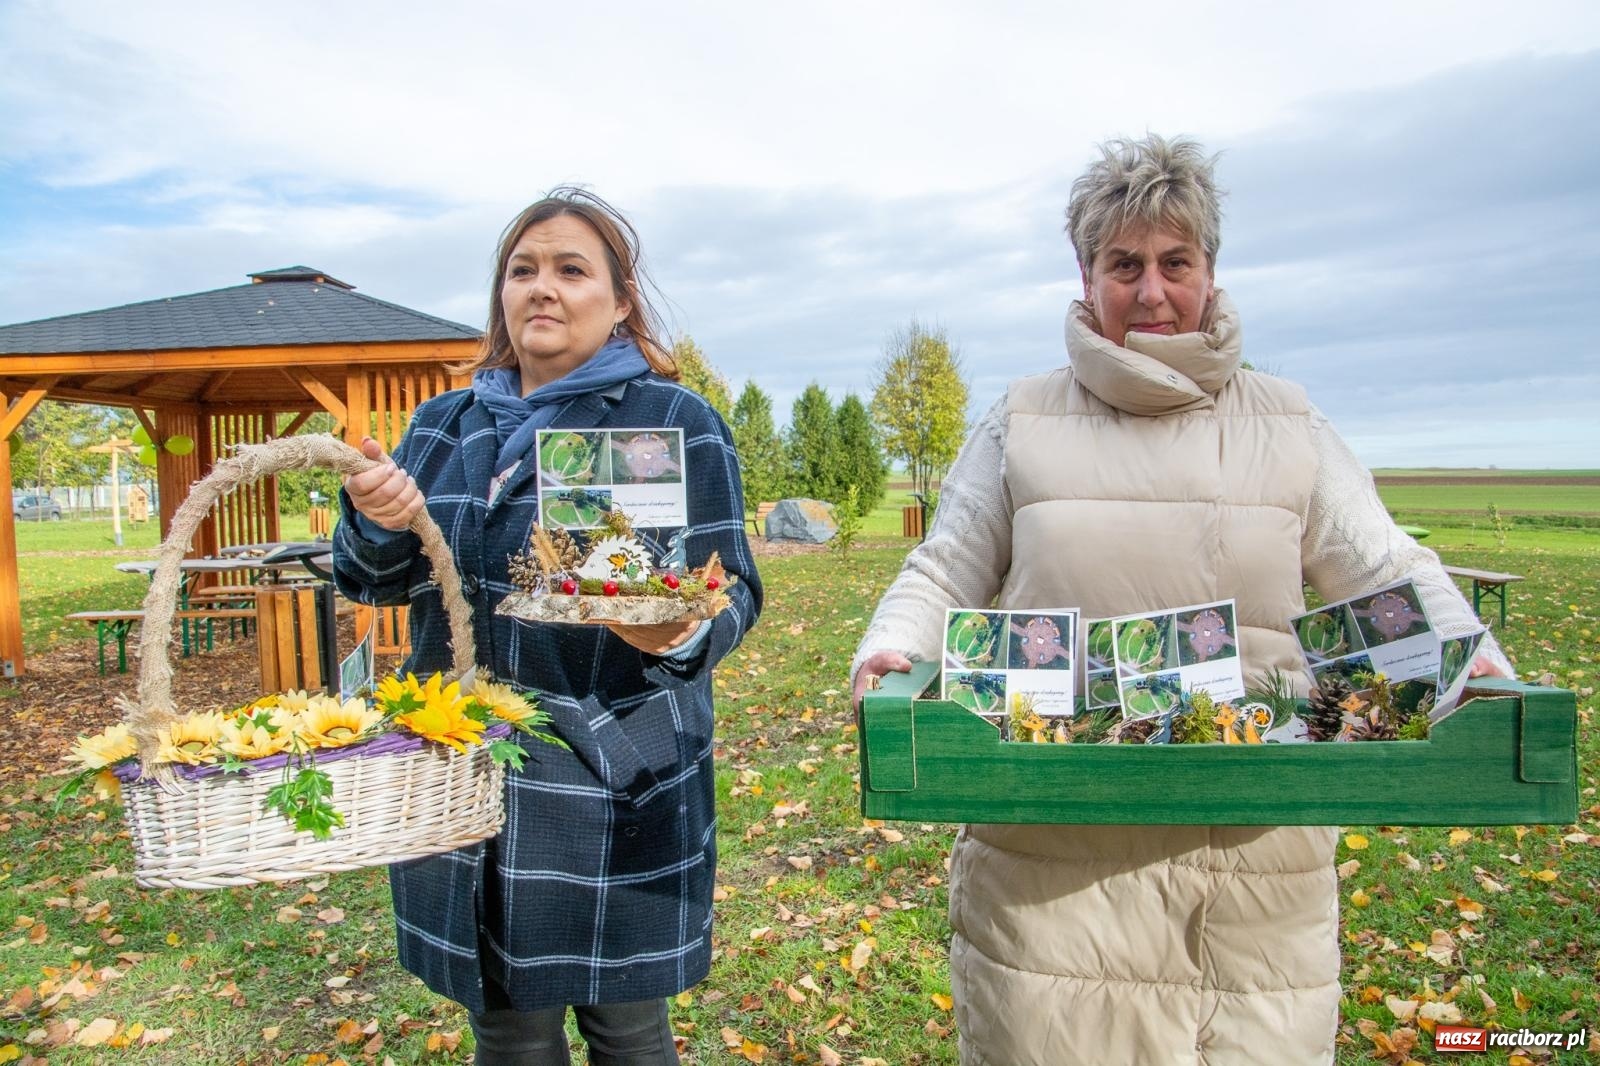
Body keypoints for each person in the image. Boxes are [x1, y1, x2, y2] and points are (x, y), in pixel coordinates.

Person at [849, 135, 1513, 1065]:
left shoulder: (1289, 423)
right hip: (1052, 871)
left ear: (1211, 271)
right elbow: (945, 567)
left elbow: (1383, 568)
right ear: (1086, 279)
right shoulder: (1022, 419)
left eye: (1176, 262)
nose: (1152, 291)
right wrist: (890, 649)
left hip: (1257, 872)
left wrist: (1475, 663)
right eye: (1124, 265)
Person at [334, 187, 762, 1065]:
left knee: (626, 1029)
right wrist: (376, 521)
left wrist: (679, 635)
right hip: (462, 771)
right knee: (507, 1031)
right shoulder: (442, 426)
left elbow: (736, 588)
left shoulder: (674, 423)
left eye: (571, 270)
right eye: (523, 270)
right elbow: (378, 582)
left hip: (614, 773)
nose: (543, 288)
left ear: (621, 300)